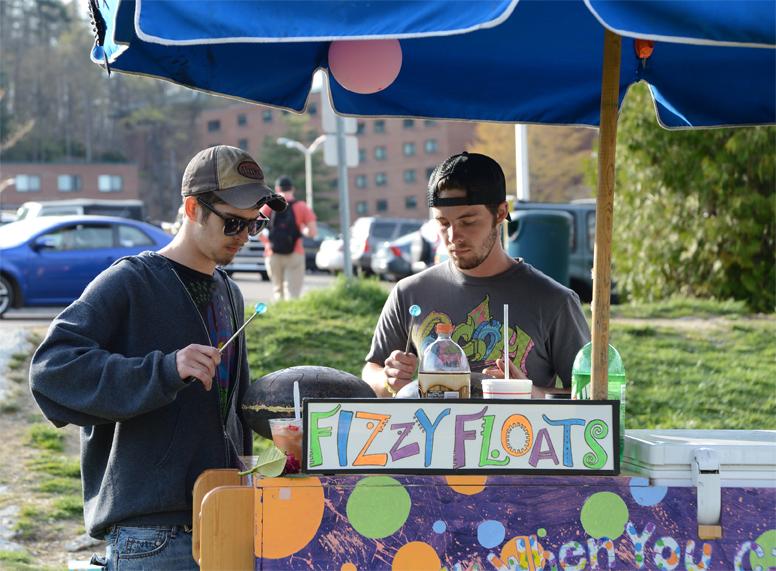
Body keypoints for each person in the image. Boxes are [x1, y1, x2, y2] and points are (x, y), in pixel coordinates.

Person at [29, 145, 287, 570]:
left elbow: (225, 409)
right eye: (234, 222)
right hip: (152, 539)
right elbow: (51, 369)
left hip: (226, 519)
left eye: (255, 224)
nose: (244, 236)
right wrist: (164, 369)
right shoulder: (130, 281)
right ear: (192, 208)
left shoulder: (229, 292)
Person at [362, 151, 590, 398]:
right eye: (443, 223)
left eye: (468, 221)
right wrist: (388, 378)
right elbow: (372, 370)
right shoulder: (409, 293)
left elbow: (592, 396)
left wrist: (531, 393)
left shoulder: (554, 301)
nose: (453, 237)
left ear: (501, 213)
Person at [260, 175, 317, 301]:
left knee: (277, 290)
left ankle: (279, 318)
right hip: (295, 253)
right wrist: (302, 229)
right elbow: (312, 232)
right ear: (292, 189)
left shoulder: (269, 206)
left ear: (276, 188)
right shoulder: (301, 207)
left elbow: (255, 228)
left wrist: (267, 244)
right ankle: (292, 317)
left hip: (272, 253)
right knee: (292, 293)